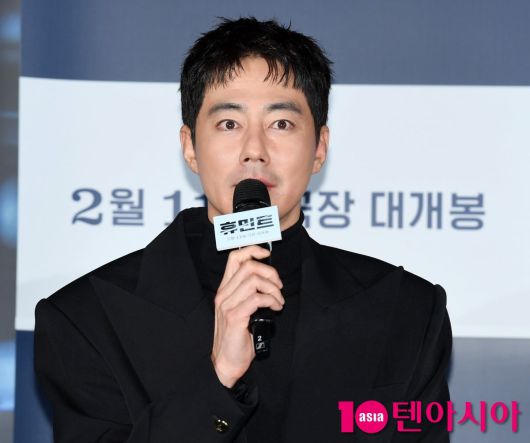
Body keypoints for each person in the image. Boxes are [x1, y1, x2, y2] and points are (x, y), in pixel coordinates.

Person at [34, 17, 452, 442]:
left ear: (319, 148)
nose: (255, 150)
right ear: (190, 147)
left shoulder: (408, 312)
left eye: (281, 123)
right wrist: (217, 378)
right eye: (229, 124)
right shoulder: (86, 320)